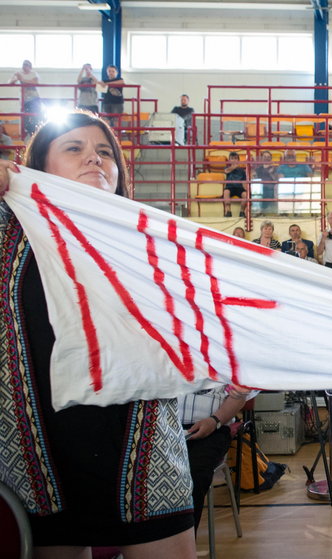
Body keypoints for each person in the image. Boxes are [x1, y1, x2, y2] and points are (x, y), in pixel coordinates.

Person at [0, 111, 196, 556]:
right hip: (41, 453)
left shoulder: (148, 239)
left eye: (105, 152)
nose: (95, 159)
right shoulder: (7, 231)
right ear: (38, 168)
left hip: (141, 447)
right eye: (75, 149)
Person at [178, 385, 252, 532]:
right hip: (165, 425)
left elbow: (239, 397)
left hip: (215, 425)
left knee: (194, 475)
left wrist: (214, 421)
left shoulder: (227, 362)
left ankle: (185, 543)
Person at [8, 60, 42, 138]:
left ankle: (36, 133)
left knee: (36, 116)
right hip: (25, 99)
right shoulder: (19, 73)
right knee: (25, 118)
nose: (24, 66)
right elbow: (10, 82)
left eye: (27, 65)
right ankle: (27, 134)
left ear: (30, 67)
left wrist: (21, 79)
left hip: (34, 99)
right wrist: (16, 78)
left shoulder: (34, 74)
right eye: (24, 65)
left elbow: (35, 82)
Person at [223, 151, 248, 217]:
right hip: (230, 188)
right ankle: (228, 211)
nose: (234, 160)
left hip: (239, 188)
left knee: (245, 195)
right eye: (232, 158)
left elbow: (244, 182)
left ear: (238, 160)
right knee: (226, 192)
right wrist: (234, 166)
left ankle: (242, 212)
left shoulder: (242, 171)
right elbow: (226, 171)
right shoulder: (227, 168)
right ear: (229, 160)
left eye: (235, 158)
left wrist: (246, 189)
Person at [253, 150, 278, 215]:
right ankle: (258, 211)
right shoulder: (258, 169)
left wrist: (271, 173)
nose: (266, 158)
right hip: (260, 187)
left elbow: (276, 180)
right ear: (261, 158)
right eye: (265, 156)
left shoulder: (274, 168)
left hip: (270, 187)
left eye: (268, 157)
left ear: (271, 158)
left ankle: (263, 211)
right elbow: (255, 179)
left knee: (269, 192)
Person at [100, 65, 125, 129]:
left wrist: (107, 84)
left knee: (116, 121)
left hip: (117, 103)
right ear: (107, 72)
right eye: (109, 71)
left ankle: (117, 137)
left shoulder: (119, 79)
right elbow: (99, 87)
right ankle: (108, 137)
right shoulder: (104, 81)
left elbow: (122, 82)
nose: (111, 73)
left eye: (113, 71)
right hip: (106, 102)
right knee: (106, 121)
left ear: (116, 72)